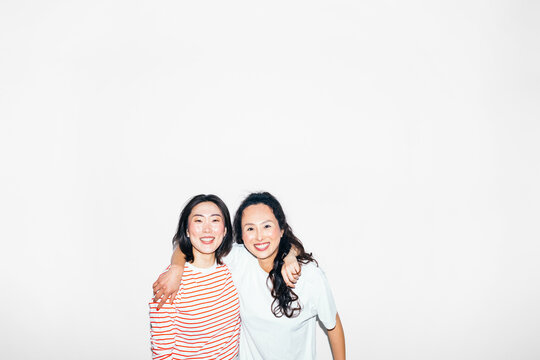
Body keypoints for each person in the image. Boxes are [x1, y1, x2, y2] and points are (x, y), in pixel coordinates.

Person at [154, 192, 346, 360]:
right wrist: (176, 268)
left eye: (267, 226)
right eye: (250, 228)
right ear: (241, 236)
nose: (260, 237)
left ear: (281, 229)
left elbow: (333, 326)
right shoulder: (238, 259)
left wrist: (291, 255)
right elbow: (197, 242)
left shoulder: (309, 276)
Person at [149, 194, 241, 360]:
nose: (207, 229)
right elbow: (162, 353)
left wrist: (290, 256)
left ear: (225, 230)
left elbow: (273, 245)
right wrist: (177, 267)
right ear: (187, 230)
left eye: (215, 220)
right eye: (198, 221)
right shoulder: (171, 282)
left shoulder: (233, 267)